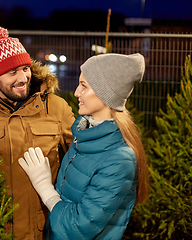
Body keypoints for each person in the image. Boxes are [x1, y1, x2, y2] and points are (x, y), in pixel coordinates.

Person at [0, 27, 75, 239]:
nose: (23, 78)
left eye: (25, 69)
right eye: (12, 72)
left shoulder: (57, 108)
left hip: (45, 230)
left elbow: (80, 159)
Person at [19, 53, 150, 239]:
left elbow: (79, 228)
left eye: (84, 86)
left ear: (106, 95)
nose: (76, 93)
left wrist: (45, 188)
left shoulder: (119, 160)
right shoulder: (84, 136)